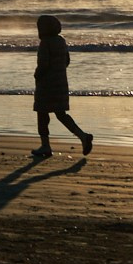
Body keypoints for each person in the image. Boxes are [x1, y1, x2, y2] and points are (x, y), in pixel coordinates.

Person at [30, 13, 93, 159]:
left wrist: (37, 75)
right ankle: (82, 136)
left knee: (42, 114)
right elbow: (67, 61)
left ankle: (45, 145)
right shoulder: (61, 41)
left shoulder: (45, 43)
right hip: (61, 83)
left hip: (46, 84)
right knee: (61, 114)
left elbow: (43, 64)